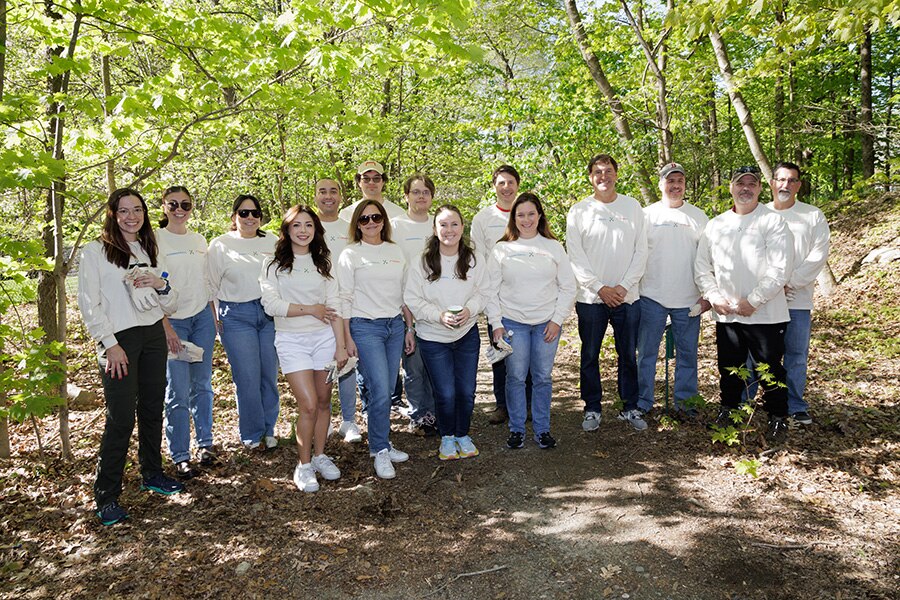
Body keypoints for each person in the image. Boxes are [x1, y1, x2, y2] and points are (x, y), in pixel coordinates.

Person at [78, 188, 184, 526]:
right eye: (123, 211)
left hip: (152, 334)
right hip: (118, 341)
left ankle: (152, 473)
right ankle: (107, 495)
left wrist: (160, 283)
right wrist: (109, 343)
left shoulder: (149, 248)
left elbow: (171, 303)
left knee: (153, 408)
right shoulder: (95, 252)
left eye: (137, 210)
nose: (131, 216)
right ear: (112, 214)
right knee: (121, 417)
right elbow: (88, 303)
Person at [694, 166, 793, 443]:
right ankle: (729, 410)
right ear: (731, 188)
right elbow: (702, 266)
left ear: (761, 188)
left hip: (766, 315)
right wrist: (714, 296)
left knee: (770, 369)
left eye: (752, 183)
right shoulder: (716, 225)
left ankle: (778, 418)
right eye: (740, 183)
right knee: (728, 366)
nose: (745, 188)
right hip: (727, 315)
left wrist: (755, 300)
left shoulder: (772, 222)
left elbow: (780, 268)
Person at [260, 205, 348, 492]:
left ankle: (321, 455)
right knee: (308, 404)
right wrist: (311, 309)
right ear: (287, 230)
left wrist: (340, 346)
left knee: (324, 402)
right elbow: (271, 305)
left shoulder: (324, 262)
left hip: (324, 339)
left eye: (308, 225)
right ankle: (304, 465)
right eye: (297, 225)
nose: (303, 231)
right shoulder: (273, 265)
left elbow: (333, 306)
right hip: (291, 340)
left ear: (316, 229)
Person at [486, 193, 576, 450]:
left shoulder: (553, 247)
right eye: (521, 215)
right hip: (512, 324)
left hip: (546, 325)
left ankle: (542, 430)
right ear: (513, 218)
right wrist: (496, 322)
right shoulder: (502, 249)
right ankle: (516, 430)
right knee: (515, 377)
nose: (526, 220)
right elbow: (490, 289)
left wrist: (557, 320)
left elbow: (569, 287)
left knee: (542, 377)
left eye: (531, 214)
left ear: (539, 216)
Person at [566, 154, 648, 432]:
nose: (604, 176)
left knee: (628, 353)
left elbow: (641, 251)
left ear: (616, 174)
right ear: (590, 177)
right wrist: (600, 288)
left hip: (628, 297)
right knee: (590, 354)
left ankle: (630, 407)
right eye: (598, 171)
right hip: (591, 299)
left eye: (609, 170)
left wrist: (623, 287)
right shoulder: (578, 211)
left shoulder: (633, 207)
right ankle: (592, 408)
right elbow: (575, 256)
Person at [337, 200, 413, 479]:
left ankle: (381, 442)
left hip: (394, 326)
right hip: (364, 327)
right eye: (365, 219)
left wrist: (409, 328)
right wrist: (346, 338)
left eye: (376, 218)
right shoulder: (350, 254)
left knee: (389, 386)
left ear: (384, 220)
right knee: (381, 388)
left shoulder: (395, 251)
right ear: (357, 224)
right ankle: (379, 449)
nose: (371, 223)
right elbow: (343, 297)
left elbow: (405, 292)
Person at [405, 204, 487, 460]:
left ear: (463, 228)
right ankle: (447, 437)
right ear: (435, 229)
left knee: (465, 390)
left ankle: (463, 434)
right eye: (443, 224)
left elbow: (484, 292)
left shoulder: (474, 259)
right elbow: (412, 298)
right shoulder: (422, 261)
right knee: (445, 392)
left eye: (454, 224)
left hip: (466, 336)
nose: (449, 230)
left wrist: (470, 310)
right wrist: (438, 316)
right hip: (433, 337)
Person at [636, 164, 710, 420]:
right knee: (646, 353)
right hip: (651, 296)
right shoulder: (646, 215)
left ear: (685, 184)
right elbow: (636, 255)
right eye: (670, 180)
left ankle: (685, 404)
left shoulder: (699, 217)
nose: (675, 185)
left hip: (688, 299)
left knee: (687, 354)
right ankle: (642, 401)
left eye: (680, 180)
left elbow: (708, 258)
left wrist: (707, 294)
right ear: (660, 184)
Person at [760, 162, 831, 425]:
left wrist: (789, 283)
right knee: (756, 354)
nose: (785, 185)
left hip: (797, 300)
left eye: (791, 181)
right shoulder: (759, 214)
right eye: (781, 180)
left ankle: (794, 404)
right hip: (762, 301)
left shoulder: (812, 216)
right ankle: (747, 402)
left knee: (795, 355)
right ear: (772, 183)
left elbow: (817, 256)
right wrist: (768, 287)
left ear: (799, 185)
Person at [208, 195, 279, 449]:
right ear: (234, 217)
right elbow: (211, 286)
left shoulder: (273, 241)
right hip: (236, 316)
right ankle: (252, 433)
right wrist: (214, 320)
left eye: (255, 213)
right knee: (247, 377)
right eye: (243, 213)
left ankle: (269, 429)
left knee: (269, 375)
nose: (250, 218)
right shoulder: (220, 245)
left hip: (269, 314)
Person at [156, 186, 218, 479]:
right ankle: (180, 454)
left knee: (202, 384)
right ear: (164, 207)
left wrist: (212, 314)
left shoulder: (198, 239)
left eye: (186, 204)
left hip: (202, 318)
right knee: (177, 390)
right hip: (174, 321)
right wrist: (165, 325)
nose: (180, 209)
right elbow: (154, 286)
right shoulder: (155, 239)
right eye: (173, 204)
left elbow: (203, 279)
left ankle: (205, 445)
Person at [470, 165, 532, 424]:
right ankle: (502, 404)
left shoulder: (527, 214)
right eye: (501, 183)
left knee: (526, 351)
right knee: (501, 349)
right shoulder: (483, 218)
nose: (506, 188)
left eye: (511, 182)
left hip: (525, 293)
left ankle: (527, 404)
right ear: (494, 186)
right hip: (495, 295)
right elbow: (476, 256)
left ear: (518, 184)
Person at [314, 177, 362, 443]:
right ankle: (324, 419)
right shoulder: (308, 225)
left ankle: (349, 421)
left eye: (333, 191)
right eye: (322, 191)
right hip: (317, 305)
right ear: (316, 196)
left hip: (347, 303)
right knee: (321, 362)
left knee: (347, 360)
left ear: (341, 197)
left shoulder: (351, 228)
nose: (328, 196)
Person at [391, 174, 437, 436]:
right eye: (416, 192)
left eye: (426, 192)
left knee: (436, 364)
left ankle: (439, 412)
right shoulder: (396, 226)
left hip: (438, 304)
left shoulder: (438, 223)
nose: (421, 196)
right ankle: (421, 415)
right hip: (407, 305)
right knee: (414, 365)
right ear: (406, 196)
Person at [338, 160, 405, 221]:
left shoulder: (398, 213)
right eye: (366, 179)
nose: (371, 182)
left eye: (376, 178)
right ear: (359, 182)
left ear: (383, 182)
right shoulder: (347, 214)